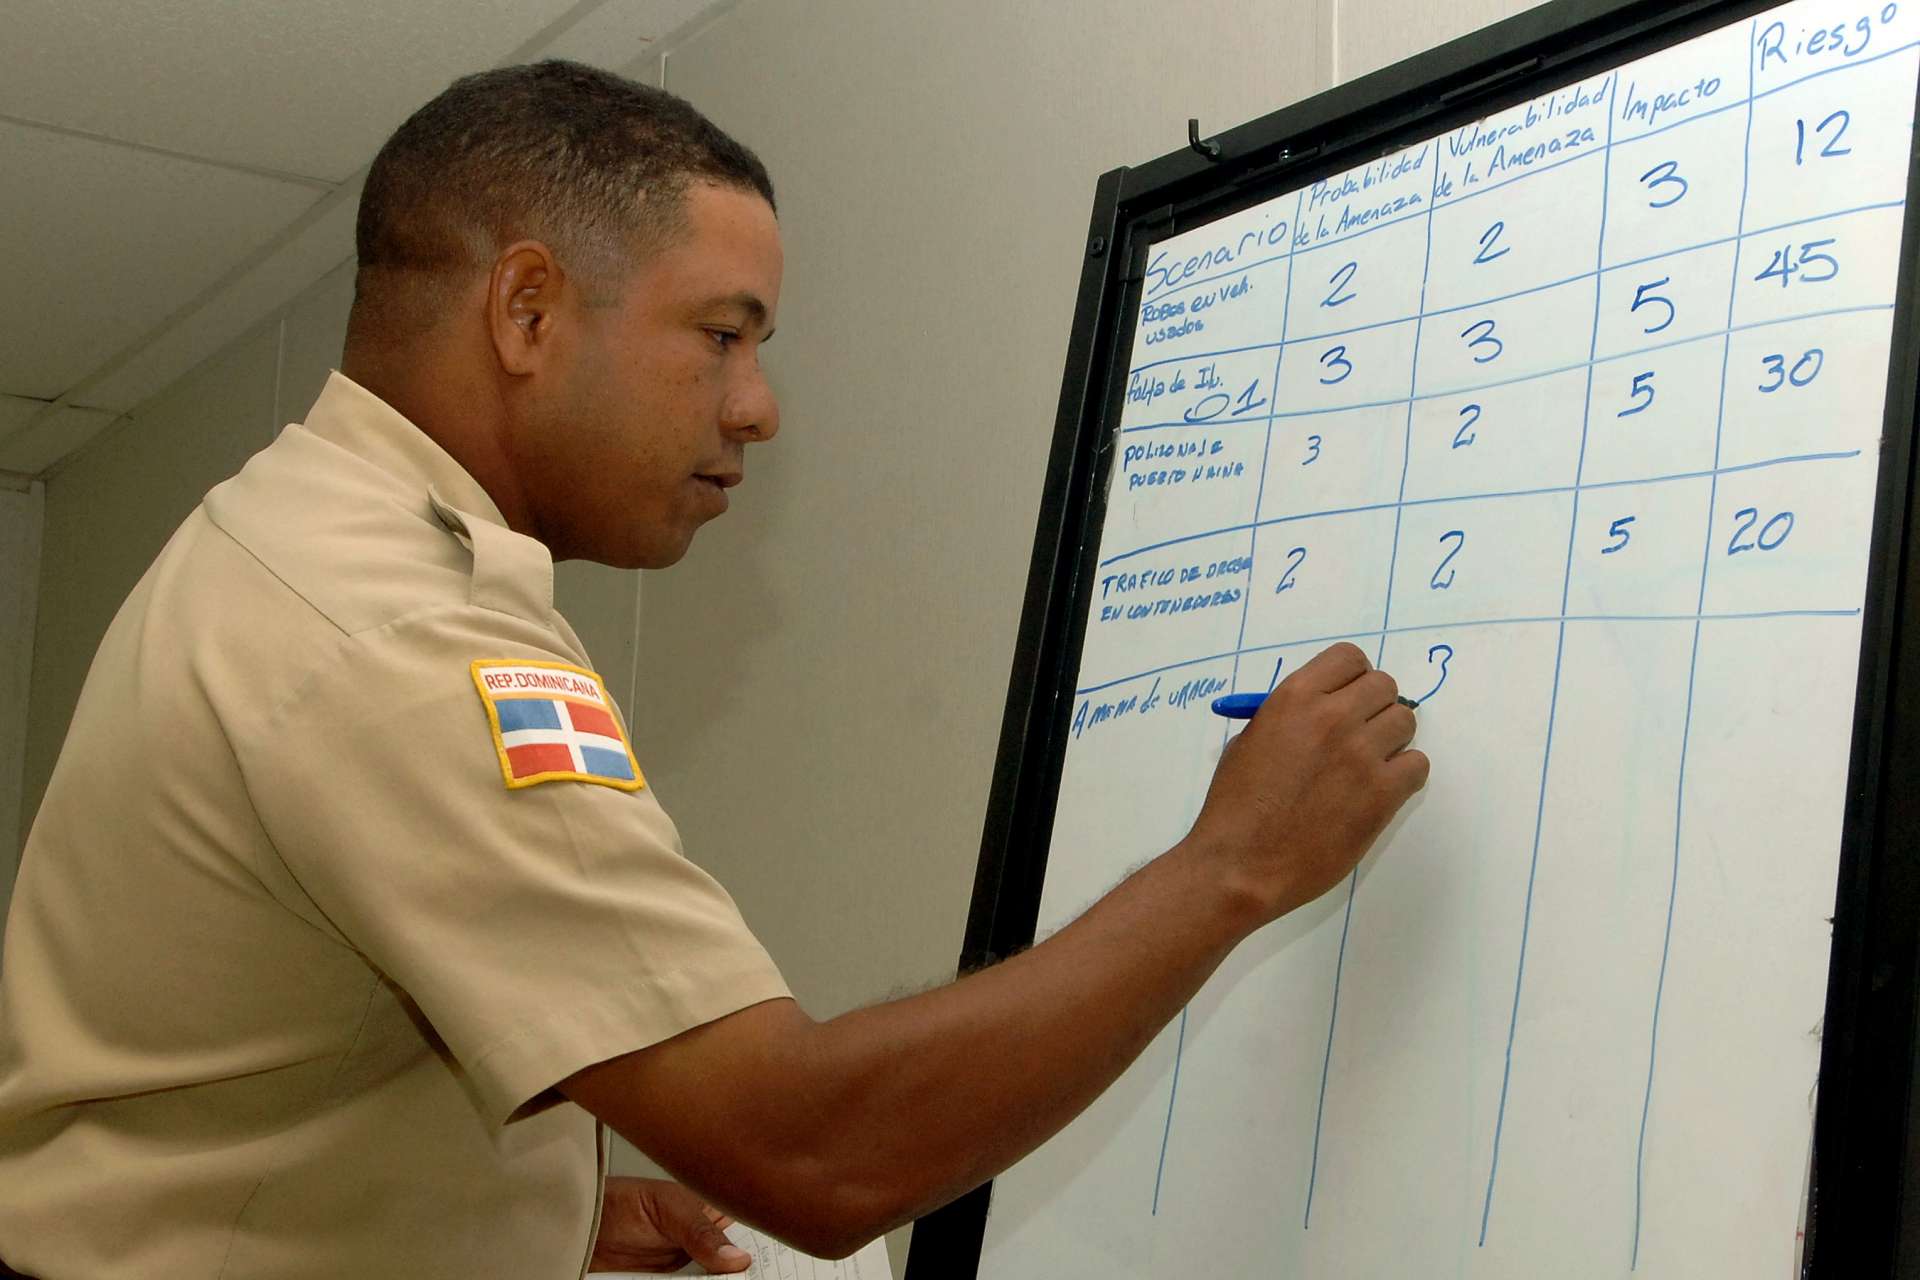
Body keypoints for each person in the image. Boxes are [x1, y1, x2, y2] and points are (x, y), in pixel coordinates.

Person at [0, 59, 1427, 1279]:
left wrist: (526, 1220)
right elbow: (816, 1154)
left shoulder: (297, 538)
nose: (759, 408)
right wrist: (1231, 864)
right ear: (528, 313)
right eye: (722, 335)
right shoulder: (403, 640)